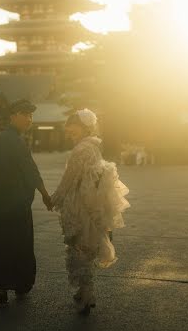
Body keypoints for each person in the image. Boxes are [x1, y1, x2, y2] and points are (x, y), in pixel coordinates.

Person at [0, 98, 52, 309]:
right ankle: (16, 284)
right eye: (24, 114)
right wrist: (44, 193)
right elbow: (29, 169)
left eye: (31, 115)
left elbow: (26, 169)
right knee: (16, 242)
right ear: (13, 116)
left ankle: (3, 290)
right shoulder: (12, 140)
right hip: (12, 198)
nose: (29, 119)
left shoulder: (6, 138)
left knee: (0, 242)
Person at [51, 109, 130, 315]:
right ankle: (85, 291)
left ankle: (86, 295)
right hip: (91, 202)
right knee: (86, 248)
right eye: (68, 129)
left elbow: (70, 178)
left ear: (84, 127)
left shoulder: (81, 150)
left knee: (79, 249)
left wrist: (55, 198)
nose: (69, 132)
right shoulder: (94, 146)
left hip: (80, 204)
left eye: (73, 128)